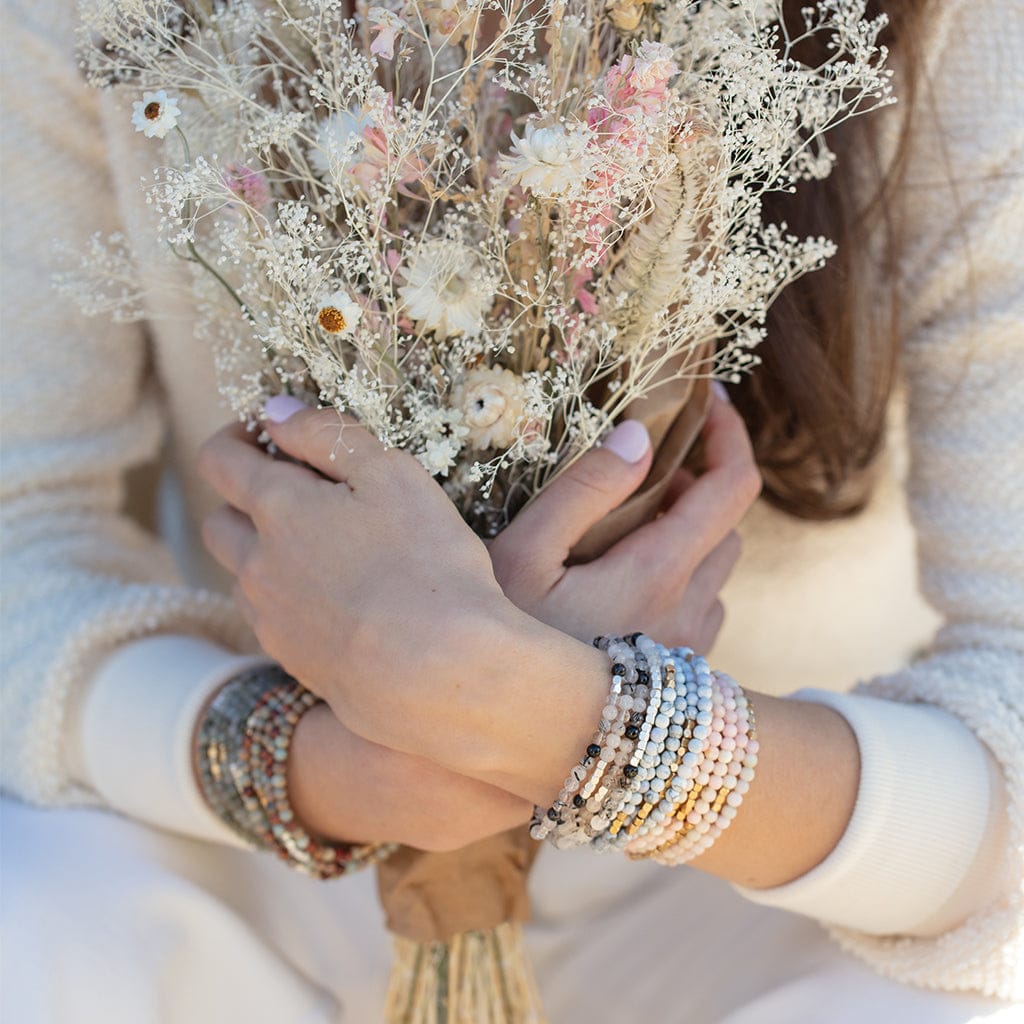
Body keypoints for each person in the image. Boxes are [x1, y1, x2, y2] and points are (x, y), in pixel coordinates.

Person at [1, 0, 1021, 1021]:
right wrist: (311, 765)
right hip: (264, 888)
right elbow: (25, 532)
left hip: (780, 874)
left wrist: (571, 724)